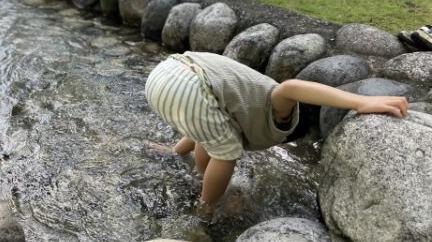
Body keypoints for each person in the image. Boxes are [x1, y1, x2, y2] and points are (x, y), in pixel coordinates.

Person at [145, 51, 408, 207]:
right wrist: (360, 101)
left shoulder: (245, 98)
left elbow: (199, 123)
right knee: (225, 152)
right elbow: (291, 88)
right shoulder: (282, 115)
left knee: (213, 132)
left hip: (164, 75)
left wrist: (176, 150)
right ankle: (207, 208)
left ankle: (198, 177)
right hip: (189, 87)